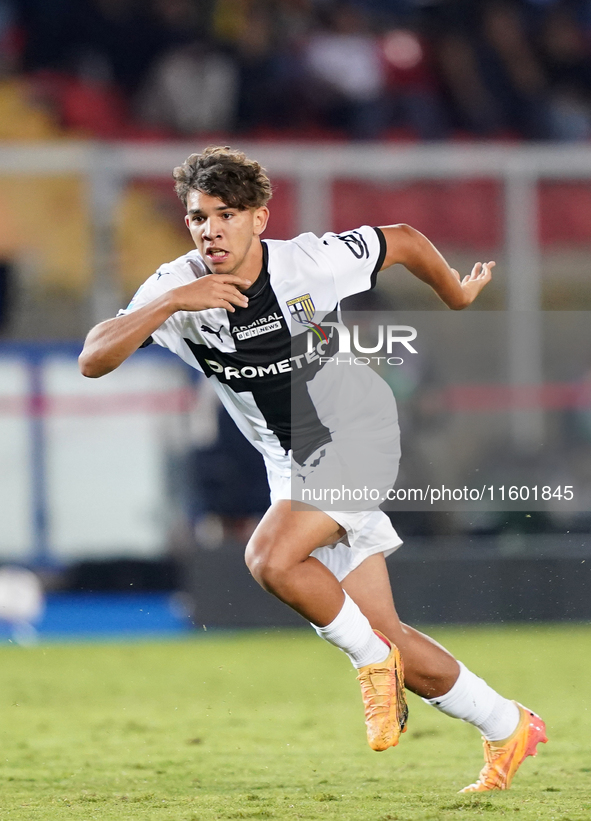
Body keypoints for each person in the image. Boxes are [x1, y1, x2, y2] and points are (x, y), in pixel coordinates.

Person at [79, 145, 547, 792]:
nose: (210, 229)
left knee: (269, 558)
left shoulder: (307, 262)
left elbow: (404, 239)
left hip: (353, 435)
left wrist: (456, 295)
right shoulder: (175, 287)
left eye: (226, 214)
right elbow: (94, 357)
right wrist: (169, 304)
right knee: (389, 635)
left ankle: (368, 660)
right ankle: (506, 724)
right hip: (289, 463)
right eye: (197, 217)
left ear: (259, 218)